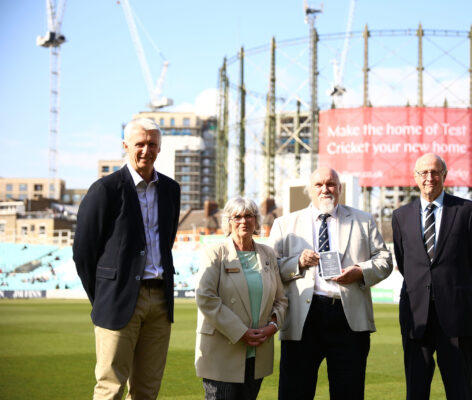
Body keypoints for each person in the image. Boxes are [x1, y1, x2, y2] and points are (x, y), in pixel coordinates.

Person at [73, 118, 181, 399]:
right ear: (125, 146)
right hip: (119, 300)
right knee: (111, 387)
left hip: (159, 301)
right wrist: (106, 295)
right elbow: (83, 252)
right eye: (140, 144)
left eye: (153, 144)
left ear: (160, 147)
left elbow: (166, 240)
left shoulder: (171, 189)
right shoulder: (105, 190)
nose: (147, 150)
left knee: (147, 390)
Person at [269, 167, 393, 400]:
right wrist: (297, 262)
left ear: (340, 189)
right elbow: (270, 268)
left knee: (349, 392)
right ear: (310, 190)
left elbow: (385, 260)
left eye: (331, 184)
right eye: (319, 185)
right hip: (303, 318)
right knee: (294, 392)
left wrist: (360, 271)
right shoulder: (285, 224)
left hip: (348, 319)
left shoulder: (363, 220)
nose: (325, 189)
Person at [392, 153, 472, 400]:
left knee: (460, 390)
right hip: (416, 317)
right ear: (415, 177)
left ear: (444, 175)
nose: (429, 178)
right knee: (416, 390)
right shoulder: (400, 216)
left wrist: (450, 287)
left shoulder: (466, 211)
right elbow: (404, 263)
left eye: (435, 172)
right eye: (423, 173)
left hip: (457, 316)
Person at [195, 197, 287, 400]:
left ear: (256, 220)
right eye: (237, 217)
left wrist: (272, 326)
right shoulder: (214, 253)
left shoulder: (268, 254)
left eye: (248, 216)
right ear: (228, 221)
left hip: (257, 351)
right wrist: (241, 332)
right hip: (222, 350)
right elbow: (206, 298)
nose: (243, 221)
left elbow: (281, 299)